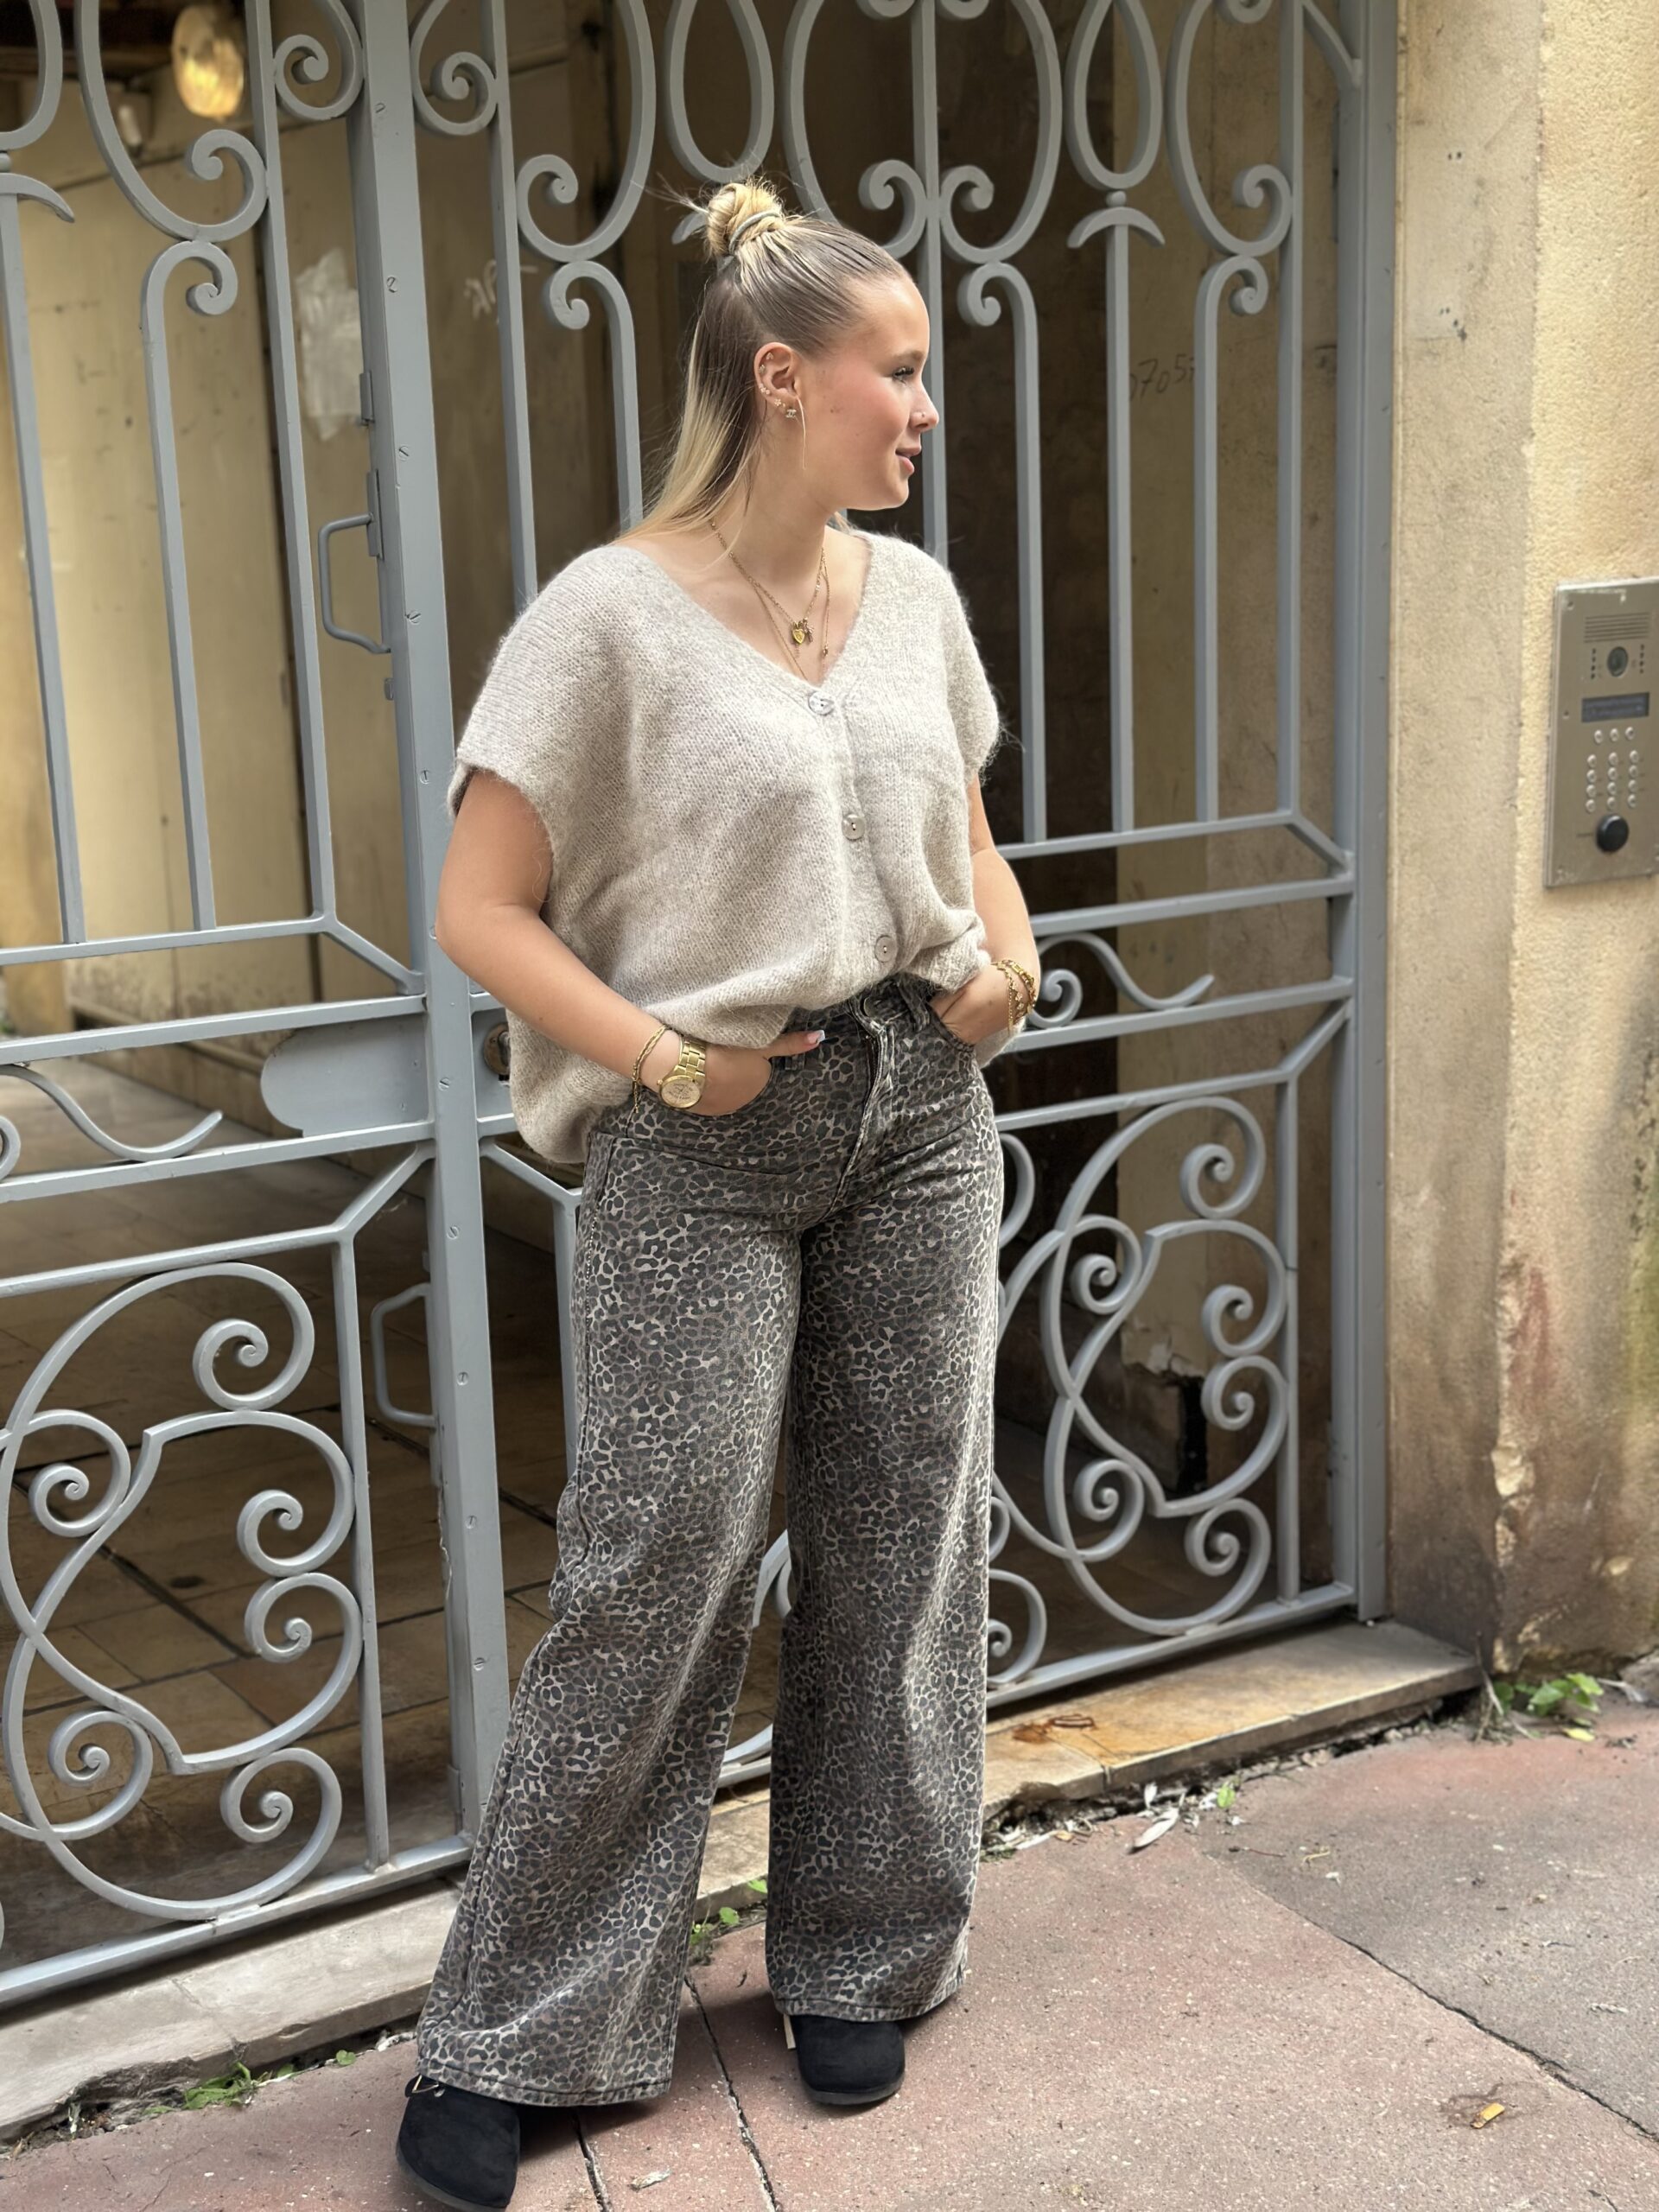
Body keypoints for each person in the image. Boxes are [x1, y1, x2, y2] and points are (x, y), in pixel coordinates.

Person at [394, 170, 1041, 2212]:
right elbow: (479, 907)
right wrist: (668, 1059)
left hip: (917, 1109)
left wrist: (1010, 960)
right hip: (702, 1133)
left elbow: (966, 831)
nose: (922, 408)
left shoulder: (910, 600)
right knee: (660, 1551)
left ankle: (866, 1946)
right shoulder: (604, 618)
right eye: (896, 371)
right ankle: (522, 2025)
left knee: (905, 1532)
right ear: (781, 378)